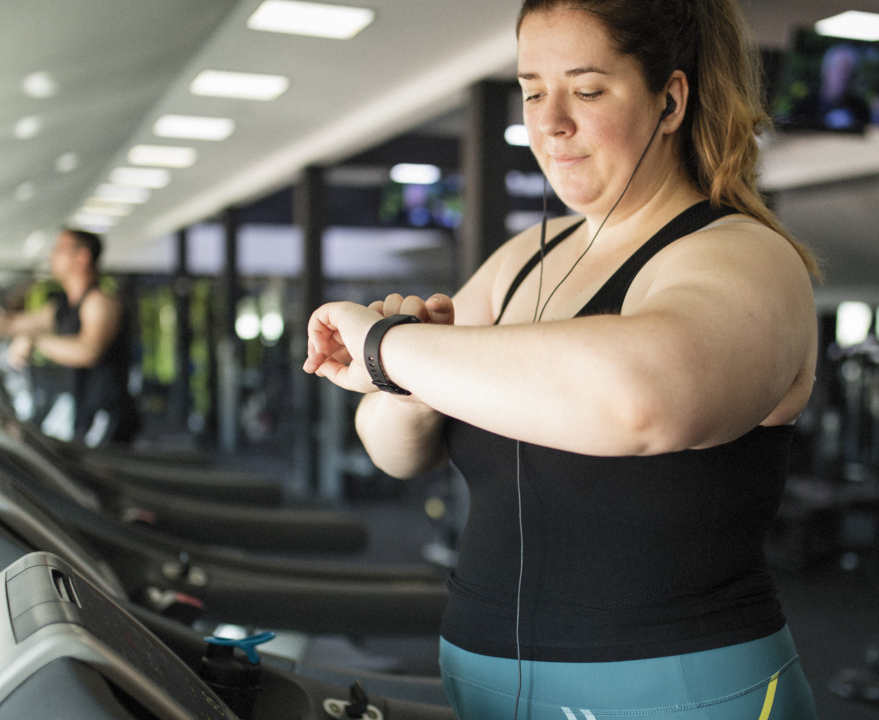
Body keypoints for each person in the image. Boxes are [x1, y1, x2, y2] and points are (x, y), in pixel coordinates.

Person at [305, 0, 820, 716]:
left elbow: (640, 401)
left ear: (669, 100)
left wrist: (391, 348)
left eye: (586, 90)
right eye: (533, 90)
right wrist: (410, 384)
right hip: (486, 685)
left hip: (676, 691)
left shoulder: (746, 257)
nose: (549, 123)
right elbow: (393, 450)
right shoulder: (523, 261)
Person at [0, 228, 139, 447]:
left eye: (60, 250)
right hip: (81, 415)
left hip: (105, 417)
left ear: (83, 257)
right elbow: (13, 323)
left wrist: (36, 340)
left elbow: (89, 350)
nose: (51, 257)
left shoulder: (99, 302)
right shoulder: (63, 308)